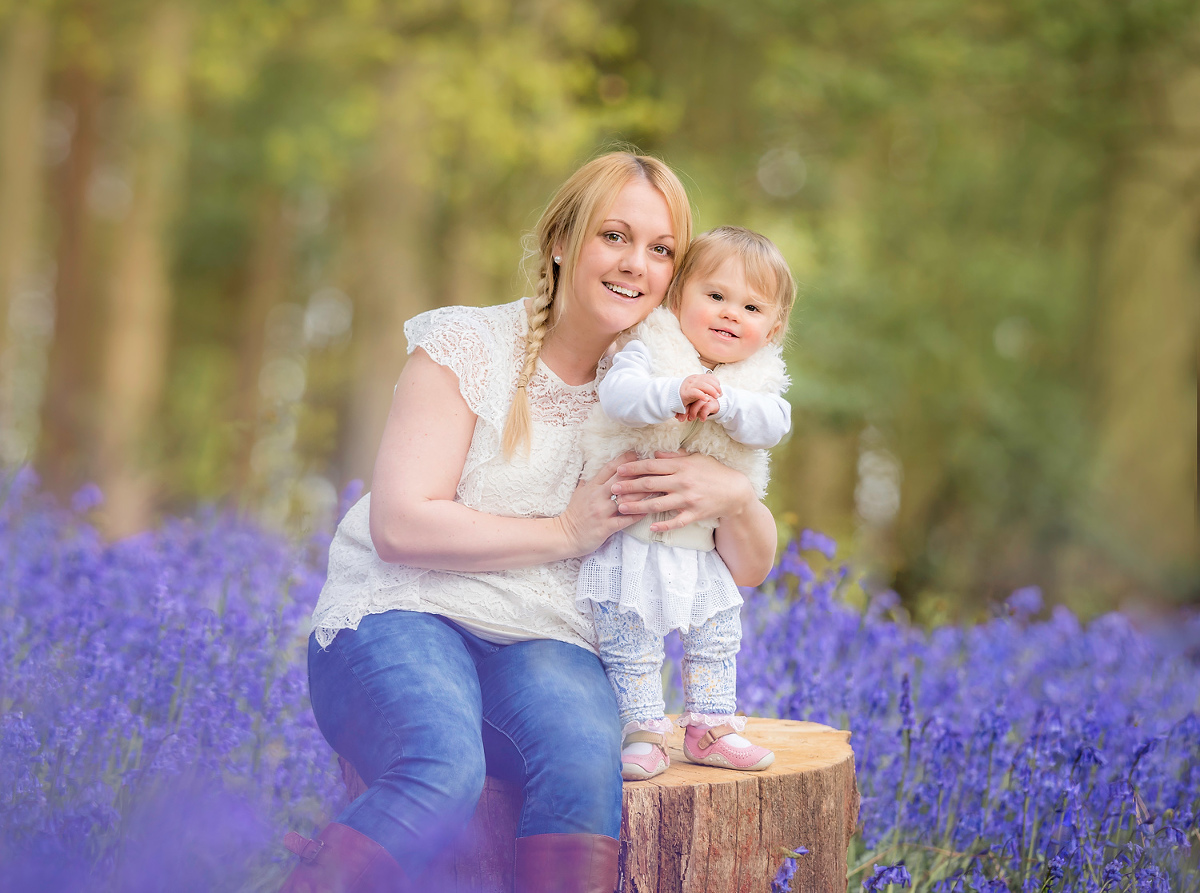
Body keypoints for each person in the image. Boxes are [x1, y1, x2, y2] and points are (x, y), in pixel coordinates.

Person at [279, 153, 780, 893]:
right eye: (614, 235)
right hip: (401, 612)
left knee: (585, 758)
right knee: (441, 764)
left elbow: (748, 565)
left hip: (548, 636)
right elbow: (401, 525)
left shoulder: (662, 392)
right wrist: (565, 534)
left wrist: (733, 494)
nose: (635, 263)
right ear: (560, 241)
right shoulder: (467, 345)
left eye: (661, 249)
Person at [576, 226, 795, 782]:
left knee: (716, 637)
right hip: (632, 535)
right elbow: (619, 396)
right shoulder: (647, 347)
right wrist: (674, 392)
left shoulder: (757, 382)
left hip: (701, 549)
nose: (729, 314)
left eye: (750, 307)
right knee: (631, 636)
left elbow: (773, 425)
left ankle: (711, 728)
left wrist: (725, 404)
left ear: (773, 327)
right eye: (715, 296)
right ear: (678, 298)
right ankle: (643, 729)